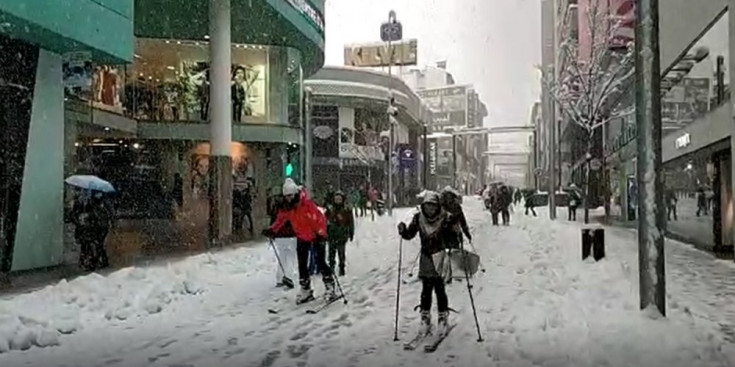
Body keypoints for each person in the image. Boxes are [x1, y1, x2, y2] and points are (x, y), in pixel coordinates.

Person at [397, 191, 458, 340]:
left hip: (440, 256)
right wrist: (403, 231)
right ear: (423, 206)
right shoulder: (419, 218)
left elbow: (453, 240)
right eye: (427, 206)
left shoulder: (445, 218)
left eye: (433, 206)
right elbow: (410, 235)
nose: (430, 209)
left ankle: (443, 318)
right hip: (426, 257)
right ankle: (425, 318)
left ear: (437, 206)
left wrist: (455, 230)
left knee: (439, 288)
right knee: (426, 289)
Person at [263, 179, 336, 304]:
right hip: (302, 236)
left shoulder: (307, 205)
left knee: (320, 261)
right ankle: (305, 288)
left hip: (316, 236)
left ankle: (330, 286)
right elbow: (280, 220)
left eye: (290, 196)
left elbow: (320, 218)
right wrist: (272, 230)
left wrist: (321, 233)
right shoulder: (287, 208)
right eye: (286, 196)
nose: (289, 199)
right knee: (302, 263)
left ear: (295, 193)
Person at [71, 190, 113, 271]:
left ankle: (93, 261)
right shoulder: (83, 202)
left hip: (95, 226)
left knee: (95, 243)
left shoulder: (98, 202)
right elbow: (74, 214)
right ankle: (89, 261)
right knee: (89, 243)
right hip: (89, 226)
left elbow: (104, 214)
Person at [267, 187, 296, 288]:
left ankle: (283, 277)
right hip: (288, 234)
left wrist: (272, 230)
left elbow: (277, 220)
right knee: (289, 257)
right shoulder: (293, 206)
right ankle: (286, 277)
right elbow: (279, 220)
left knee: (285, 257)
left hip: (285, 234)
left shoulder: (279, 206)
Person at [325, 191, 355, 276]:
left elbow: (350, 222)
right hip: (332, 235)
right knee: (331, 253)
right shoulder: (330, 209)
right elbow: (325, 221)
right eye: (336, 199)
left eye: (339, 199)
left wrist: (351, 232)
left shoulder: (346, 210)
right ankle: (331, 267)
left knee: (341, 253)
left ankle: (342, 267)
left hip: (342, 235)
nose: (338, 200)